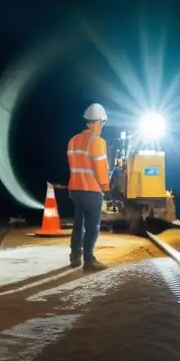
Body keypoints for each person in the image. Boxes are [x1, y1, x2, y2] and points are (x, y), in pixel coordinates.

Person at [67, 103, 110, 271]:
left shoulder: (73, 140)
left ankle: (75, 257)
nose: (102, 127)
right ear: (98, 122)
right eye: (103, 123)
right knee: (92, 226)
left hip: (75, 189)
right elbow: (100, 169)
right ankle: (89, 260)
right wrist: (106, 187)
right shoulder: (97, 141)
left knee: (78, 223)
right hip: (91, 190)